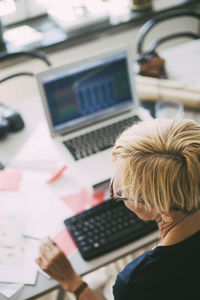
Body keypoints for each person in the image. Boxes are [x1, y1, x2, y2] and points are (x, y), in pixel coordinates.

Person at [36, 118, 200, 300]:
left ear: (166, 213)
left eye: (122, 192)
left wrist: (73, 283)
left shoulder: (138, 282)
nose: (116, 193)